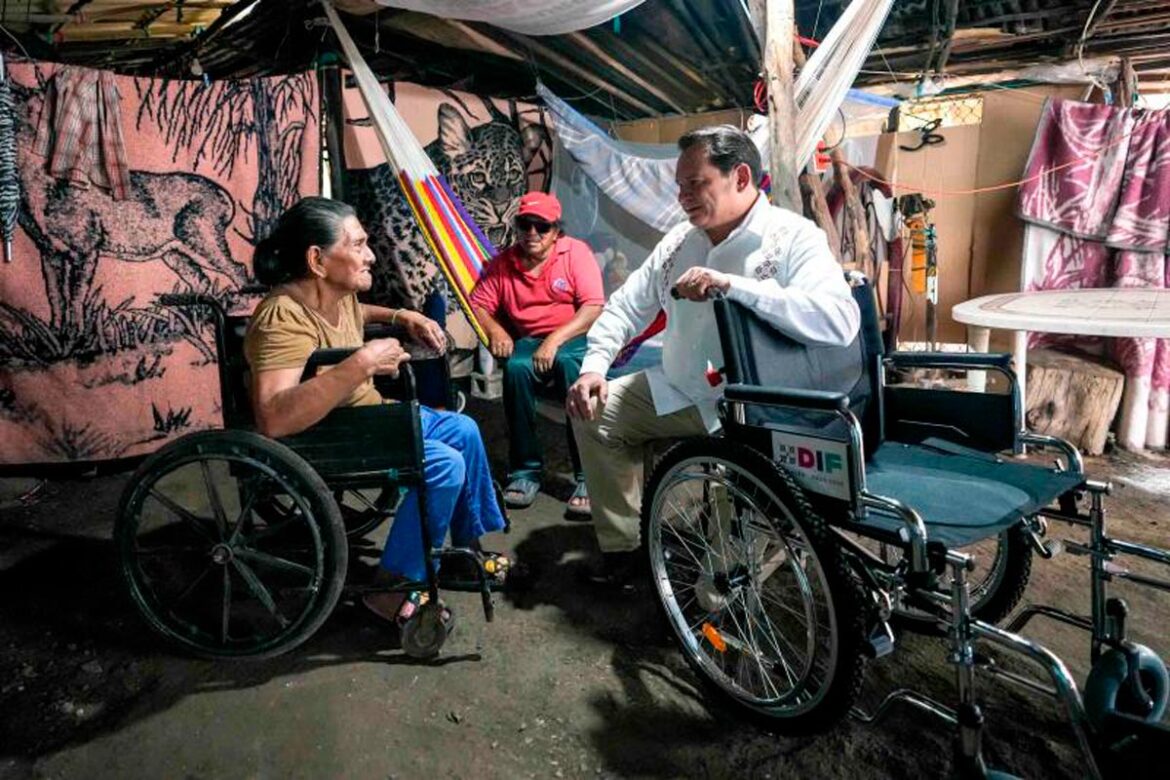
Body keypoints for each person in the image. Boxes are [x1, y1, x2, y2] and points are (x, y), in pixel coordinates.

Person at [566, 125, 861, 587]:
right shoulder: (679, 242)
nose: (682, 197)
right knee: (593, 413)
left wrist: (734, 287)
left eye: (695, 183)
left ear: (739, 177)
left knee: (718, 591)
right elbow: (625, 307)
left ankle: (751, 555)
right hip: (683, 389)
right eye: (679, 186)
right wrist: (593, 367)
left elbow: (839, 321)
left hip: (755, 413)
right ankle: (627, 547)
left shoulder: (792, 237)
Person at [243, 196, 507, 630]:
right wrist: (362, 363)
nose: (371, 256)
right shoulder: (282, 319)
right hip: (324, 437)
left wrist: (403, 316)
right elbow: (273, 417)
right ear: (317, 260)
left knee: (464, 430)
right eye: (358, 245)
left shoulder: (335, 294)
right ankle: (390, 590)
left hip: (364, 418)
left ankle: (462, 553)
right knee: (444, 465)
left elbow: (358, 314)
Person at [470, 191, 604, 515]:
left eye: (542, 226)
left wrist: (554, 341)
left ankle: (589, 475)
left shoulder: (575, 253)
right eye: (525, 225)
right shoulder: (503, 264)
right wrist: (496, 330)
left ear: (556, 231)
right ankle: (525, 471)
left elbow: (592, 307)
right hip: (530, 339)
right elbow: (478, 304)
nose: (532, 233)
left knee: (571, 367)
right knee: (516, 368)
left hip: (575, 335)